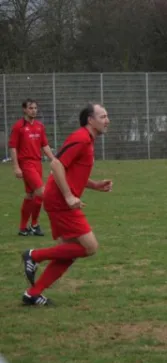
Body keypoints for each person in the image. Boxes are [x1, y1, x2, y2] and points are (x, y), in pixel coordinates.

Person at [21, 103, 112, 306]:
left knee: (69, 252)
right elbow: (56, 164)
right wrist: (69, 196)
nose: (107, 120)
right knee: (90, 247)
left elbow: (70, 171)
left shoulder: (88, 140)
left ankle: (33, 293)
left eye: (107, 116)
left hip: (61, 200)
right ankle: (33, 255)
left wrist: (95, 185)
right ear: (90, 120)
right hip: (60, 202)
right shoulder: (81, 138)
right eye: (103, 116)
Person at [9, 99, 55, 236]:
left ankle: (23, 228)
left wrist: (54, 159)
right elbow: (13, 147)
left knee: (30, 195)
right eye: (30, 108)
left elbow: (44, 145)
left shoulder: (40, 126)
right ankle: (34, 224)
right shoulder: (18, 126)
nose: (34, 110)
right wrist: (16, 167)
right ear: (24, 110)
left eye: (35, 108)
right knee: (41, 192)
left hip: (37, 163)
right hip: (26, 164)